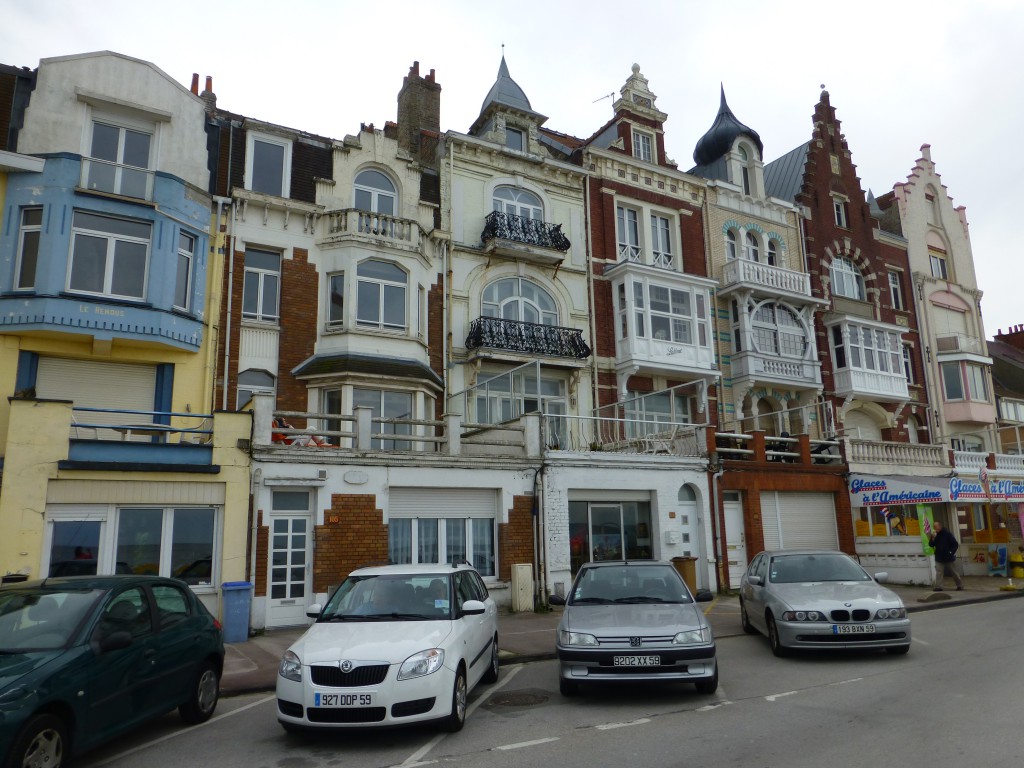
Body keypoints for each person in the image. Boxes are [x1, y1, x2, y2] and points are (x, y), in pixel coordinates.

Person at [928, 520, 964, 591]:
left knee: (953, 572)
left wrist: (951, 552)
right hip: (939, 557)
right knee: (939, 572)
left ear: (940, 526)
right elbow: (931, 544)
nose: (935, 528)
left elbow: (955, 544)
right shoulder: (935, 535)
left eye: (936, 527)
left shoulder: (947, 534)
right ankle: (938, 587)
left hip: (948, 557)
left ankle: (960, 585)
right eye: (934, 527)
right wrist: (932, 538)